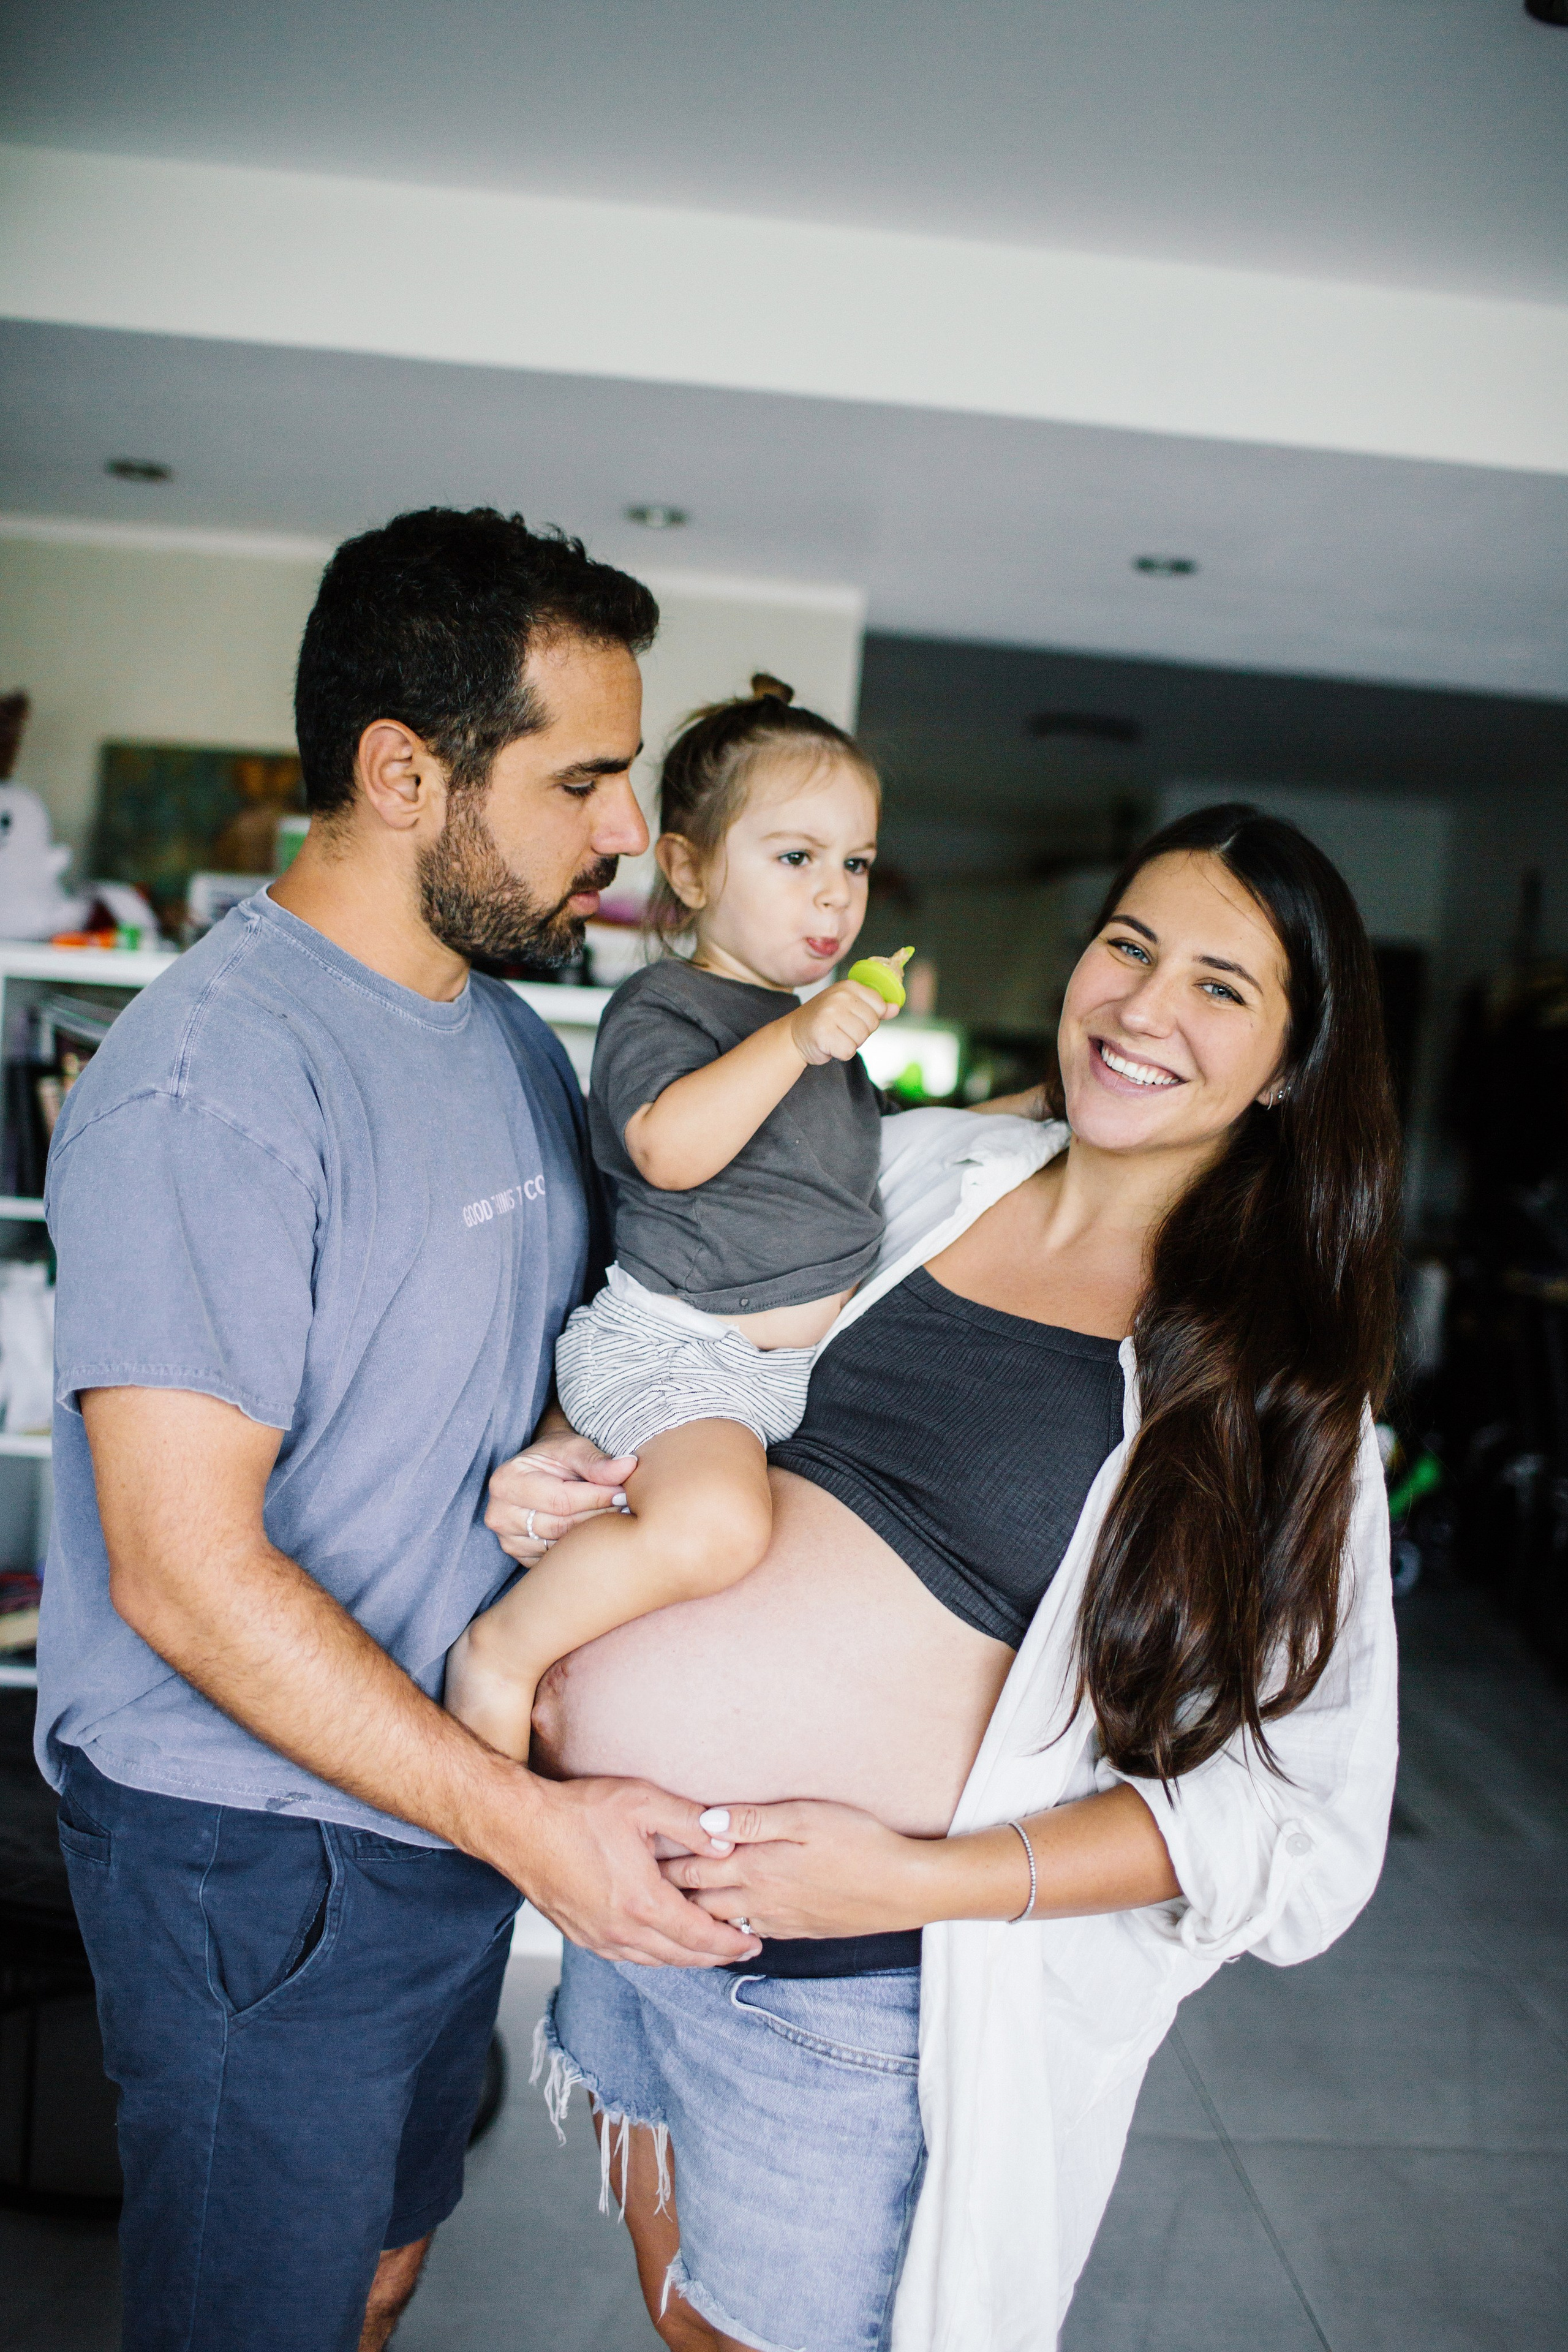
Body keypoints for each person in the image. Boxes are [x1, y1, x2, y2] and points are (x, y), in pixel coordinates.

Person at [502, 804, 1403, 2352]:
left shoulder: (1276, 1394)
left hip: (856, 1997)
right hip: (618, 1902)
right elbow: (680, 1325)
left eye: (1218, 986)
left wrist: (915, 1883)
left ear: (1291, 1065)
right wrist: (566, 1452)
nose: (1139, 1006)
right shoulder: (918, 1165)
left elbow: (1294, 1824)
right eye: (1128, 946)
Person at [36, 506, 755, 2352]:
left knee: (378, 2271)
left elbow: (522, 1381)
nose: (625, 830)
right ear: (402, 771)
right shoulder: (213, 1081)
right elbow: (186, 1582)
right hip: (258, 1851)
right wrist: (528, 1827)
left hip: (434, 1806)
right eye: (586, 776)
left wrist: (548, 1454)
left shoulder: (505, 1042)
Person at [445, 675, 908, 1758]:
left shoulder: (818, 1037)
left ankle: (586, 1646)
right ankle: (503, 1654)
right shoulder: (671, 1007)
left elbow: (868, 1154)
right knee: (718, 1529)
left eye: (856, 865)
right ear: (692, 870)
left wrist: (1037, 1109)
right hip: (672, 1348)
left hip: (764, 1379)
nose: (834, 897)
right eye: (795, 859)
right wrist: (798, 1042)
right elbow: (666, 1145)